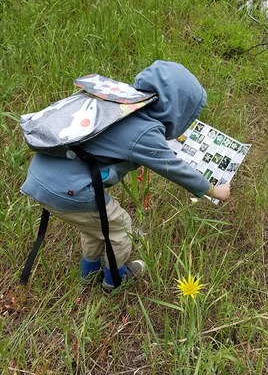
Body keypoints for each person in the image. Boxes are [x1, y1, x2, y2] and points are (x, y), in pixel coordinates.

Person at [20, 61, 231, 292]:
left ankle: (88, 274)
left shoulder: (116, 103)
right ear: (176, 110)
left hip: (43, 176)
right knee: (121, 229)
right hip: (68, 190)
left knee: (97, 225)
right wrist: (212, 190)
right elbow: (175, 169)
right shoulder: (145, 131)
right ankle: (114, 281)